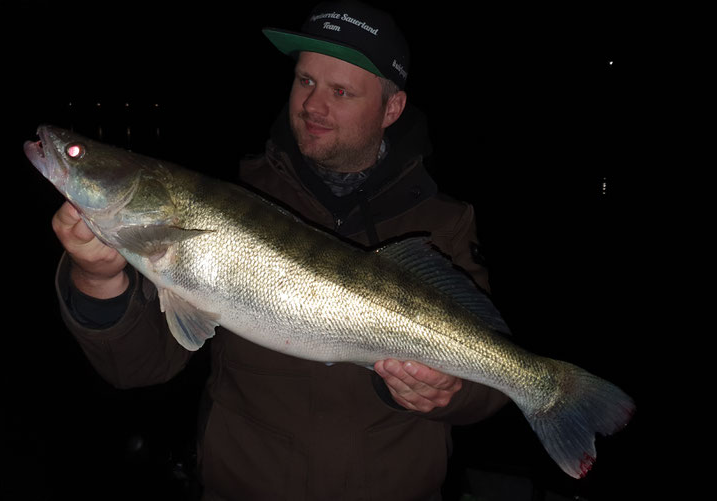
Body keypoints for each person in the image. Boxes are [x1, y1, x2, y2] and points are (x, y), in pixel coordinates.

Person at [50, 1, 509, 499]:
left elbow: (492, 377)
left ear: (391, 109)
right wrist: (97, 281)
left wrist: (451, 394)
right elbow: (135, 369)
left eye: (341, 91)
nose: (313, 105)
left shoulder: (444, 223)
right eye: (305, 80)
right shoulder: (232, 192)